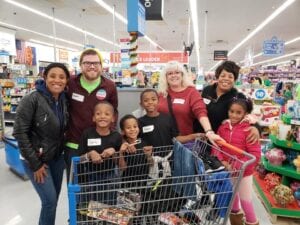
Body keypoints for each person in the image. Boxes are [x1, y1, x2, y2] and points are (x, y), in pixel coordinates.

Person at [13, 63, 70, 225]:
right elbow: (19, 132)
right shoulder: (31, 99)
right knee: (50, 201)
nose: (57, 80)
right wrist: (36, 164)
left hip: (57, 158)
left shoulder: (64, 100)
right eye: (52, 76)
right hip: (36, 161)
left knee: (53, 200)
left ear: (66, 81)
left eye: (61, 77)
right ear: (45, 78)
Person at [64, 48, 118, 182]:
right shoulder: (70, 83)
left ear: (101, 66)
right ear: (81, 65)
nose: (92, 66)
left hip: (101, 146)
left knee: (102, 189)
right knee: (77, 189)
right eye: (87, 63)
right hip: (74, 145)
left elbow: (114, 112)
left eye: (96, 63)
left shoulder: (110, 86)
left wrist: (110, 139)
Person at [213, 94, 261, 225]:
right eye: (231, 111)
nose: (234, 115)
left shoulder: (249, 130)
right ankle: (236, 220)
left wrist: (238, 166)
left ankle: (252, 221)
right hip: (228, 169)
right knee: (232, 196)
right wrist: (222, 161)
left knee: (246, 200)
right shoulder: (222, 127)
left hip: (244, 172)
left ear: (245, 113)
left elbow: (255, 155)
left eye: (238, 112)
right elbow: (217, 146)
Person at [157, 61, 221, 145]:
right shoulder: (161, 93)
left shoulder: (191, 92)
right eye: (170, 73)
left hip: (184, 142)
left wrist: (209, 131)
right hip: (162, 141)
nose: (173, 75)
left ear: (182, 75)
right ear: (165, 77)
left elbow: (201, 112)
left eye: (177, 72)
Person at [200, 60, 260, 143]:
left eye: (230, 77)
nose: (226, 79)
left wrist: (255, 127)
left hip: (221, 142)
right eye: (223, 75)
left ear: (235, 79)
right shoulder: (207, 90)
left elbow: (248, 116)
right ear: (218, 77)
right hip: (201, 137)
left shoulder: (238, 97)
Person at [78, 102, 122, 204]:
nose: (102, 116)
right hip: (90, 176)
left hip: (110, 176)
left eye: (107, 114)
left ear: (113, 118)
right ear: (93, 118)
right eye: (98, 114)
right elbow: (79, 158)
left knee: (109, 205)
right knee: (90, 205)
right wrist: (89, 154)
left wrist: (114, 152)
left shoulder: (116, 136)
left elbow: (120, 164)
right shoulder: (87, 133)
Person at [118, 114, 152, 187]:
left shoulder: (144, 142)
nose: (132, 129)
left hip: (144, 181)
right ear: (123, 131)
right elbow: (122, 168)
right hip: (128, 182)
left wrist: (149, 156)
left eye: (135, 126)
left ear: (139, 128)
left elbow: (151, 164)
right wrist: (121, 153)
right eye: (128, 127)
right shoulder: (124, 146)